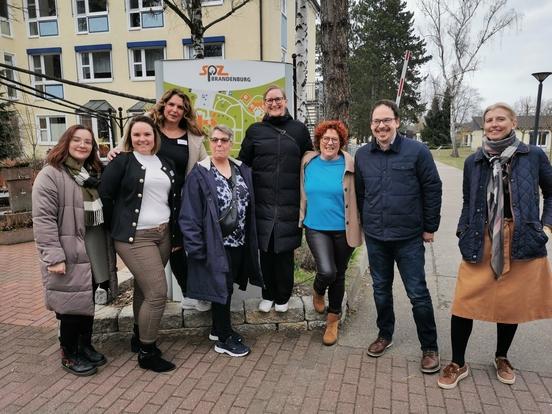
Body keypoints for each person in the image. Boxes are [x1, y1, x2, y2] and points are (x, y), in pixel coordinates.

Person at [437, 103, 552, 389]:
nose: (494, 124)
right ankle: (458, 362)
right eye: (489, 120)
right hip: (481, 236)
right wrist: (462, 229)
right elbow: (467, 200)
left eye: (500, 119)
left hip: (520, 237)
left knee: (510, 304)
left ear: (513, 122)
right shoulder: (474, 160)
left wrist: (545, 227)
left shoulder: (534, 155)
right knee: (464, 302)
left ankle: (501, 357)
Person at [354, 99, 442, 374]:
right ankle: (385, 335)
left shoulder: (417, 151)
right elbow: (360, 193)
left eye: (386, 120)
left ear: (396, 122)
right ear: (371, 125)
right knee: (381, 290)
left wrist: (430, 227)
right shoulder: (362, 155)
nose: (381, 126)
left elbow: (432, 189)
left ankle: (429, 348)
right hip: (377, 238)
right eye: (376, 121)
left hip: (408, 238)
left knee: (417, 293)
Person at [108, 89, 209, 314]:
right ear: (163, 106)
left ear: (185, 111)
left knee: (184, 248)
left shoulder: (192, 137)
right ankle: (184, 294)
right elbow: (128, 149)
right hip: (150, 203)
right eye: (171, 104)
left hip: (183, 201)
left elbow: (204, 166)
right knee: (170, 250)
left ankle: (194, 292)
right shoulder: (150, 130)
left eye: (180, 107)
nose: (174, 110)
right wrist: (116, 151)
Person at [32, 124, 111, 376]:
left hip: (93, 246)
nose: (82, 145)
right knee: (69, 303)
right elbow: (43, 219)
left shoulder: (91, 173)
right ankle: (69, 353)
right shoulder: (51, 174)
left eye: (88, 142)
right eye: (77, 140)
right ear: (66, 142)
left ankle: (84, 345)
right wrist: (53, 256)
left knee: (86, 297)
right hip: (67, 248)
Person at [100, 115, 176, 372]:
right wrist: (116, 228)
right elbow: (106, 195)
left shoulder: (164, 162)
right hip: (135, 238)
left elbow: (170, 199)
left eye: (147, 134)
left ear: (155, 137)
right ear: (129, 138)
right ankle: (147, 352)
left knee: (145, 291)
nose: (142, 139)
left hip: (162, 234)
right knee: (157, 294)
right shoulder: (121, 161)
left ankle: (137, 336)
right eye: (137, 135)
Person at [180, 125, 264, 357]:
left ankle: (218, 329)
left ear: (231, 143)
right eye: (215, 140)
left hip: (239, 244)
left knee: (226, 287)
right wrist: (196, 248)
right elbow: (189, 214)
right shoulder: (200, 174)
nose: (219, 144)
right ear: (209, 143)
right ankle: (224, 339)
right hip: (214, 245)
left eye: (224, 140)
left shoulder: (241, 169)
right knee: (222, 289)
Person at [239, 85, 312, 313]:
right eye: (269, 100)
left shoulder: (299, 130)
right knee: (265, 251)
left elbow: (309, 161)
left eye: (278, 99)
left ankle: (283, 296)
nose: (274, 103)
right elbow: (244, 164)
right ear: (264, 104)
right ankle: (267, 294)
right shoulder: (255, 130)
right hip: (261, 201)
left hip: (290, 201)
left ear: (285, 101)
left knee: (285, 252)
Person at [299, 120, 362, 346]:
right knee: (327, 271)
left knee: (339, 273)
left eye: (335, 139)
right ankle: (317, 290)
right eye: (326, 138)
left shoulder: (350, 164)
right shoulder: (308, 161)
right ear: (319, 141)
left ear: (341, 142)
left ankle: (333, 320)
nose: (330, 142)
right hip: (315, 227)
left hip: (343, 229)